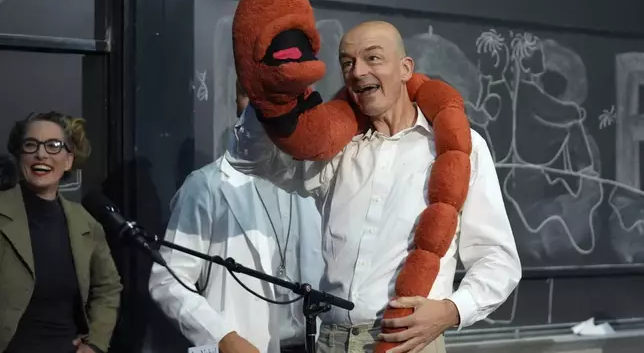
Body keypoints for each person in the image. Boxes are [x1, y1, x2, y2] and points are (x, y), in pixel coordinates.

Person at [227, 21, 522, 353]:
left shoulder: (459, 147)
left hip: (408, 343)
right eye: (347, 63)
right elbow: (250, 162)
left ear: (406, 68)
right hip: (331, 341)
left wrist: (452, 311)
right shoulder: (334, 147)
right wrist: (265, 99)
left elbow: (497, 258)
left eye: (373, 58)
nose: (358, 71)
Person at [148, 84, 324, 353]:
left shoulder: (318, 179)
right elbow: (168, 279)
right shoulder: (207, 185)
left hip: (318, 342)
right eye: (253, 95)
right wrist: (221, 336)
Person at [0, 111, 122, 353]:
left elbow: (108, 287)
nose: (41, 153)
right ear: (19, 156)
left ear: (69, 160)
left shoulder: (86, 224)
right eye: (30, 144)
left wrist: (95, 343)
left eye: (53, 146)